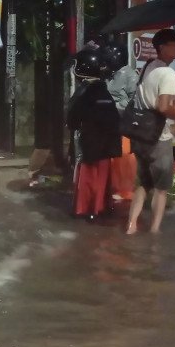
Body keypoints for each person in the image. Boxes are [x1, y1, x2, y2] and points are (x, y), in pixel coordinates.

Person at [126, 28, 175, 234]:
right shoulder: (167, 73)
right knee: (161, 188)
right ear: (162, 48)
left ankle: (131, 226)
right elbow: (164, 106)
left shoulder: (149, 66)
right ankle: (155, 232)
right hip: (158, 137)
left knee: (143, 183)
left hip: (140, 135)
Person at [68, 48, 122, 220]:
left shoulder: (85, 91)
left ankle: (86, 208)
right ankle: (99, 208)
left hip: (90, 144)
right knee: (102, 177)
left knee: (88, 177)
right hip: (106, 145)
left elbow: (72, 118)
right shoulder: (103, 90)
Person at [103, 44, 136, 203]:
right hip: (110, 120)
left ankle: (126, 190)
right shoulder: (111, 74)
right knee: (113, 156)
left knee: (124, 156)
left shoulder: (130, 75)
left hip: (123, 119)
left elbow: (134, 99)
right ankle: (116, 187)